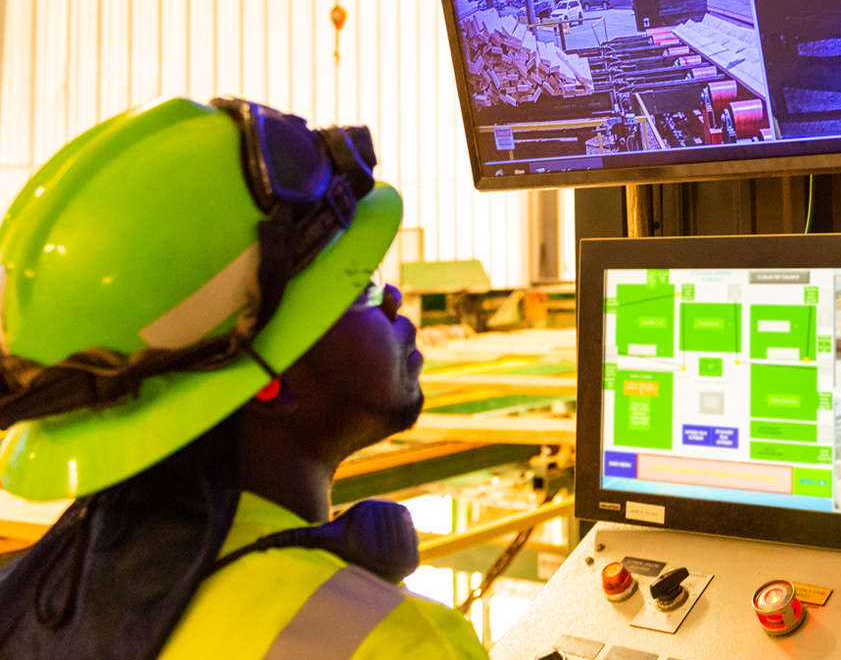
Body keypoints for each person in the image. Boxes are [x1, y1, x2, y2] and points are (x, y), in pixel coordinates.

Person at [0, 96, 489, 660]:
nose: (393, 300)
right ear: (264, 381)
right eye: (358, 286)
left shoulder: (35, 606)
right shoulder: (387, 642)